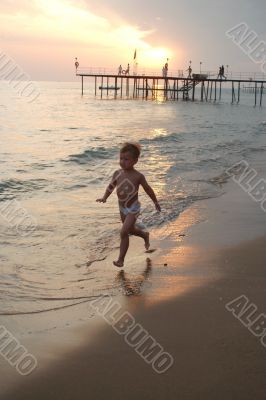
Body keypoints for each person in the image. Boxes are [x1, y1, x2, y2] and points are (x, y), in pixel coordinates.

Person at [96, 142, 161, 268]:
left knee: (124, 231)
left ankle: (121, 260)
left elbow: (148, 189)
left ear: (135, 161)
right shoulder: (117, 173)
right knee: (130, 230)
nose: (122, 162)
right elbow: (111, 186)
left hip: (133, 208)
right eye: (121, 158)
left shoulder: (138, 176)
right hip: (122, 208)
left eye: (126, 159)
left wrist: (155, 202)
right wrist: (104, 197)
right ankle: (144, 235)